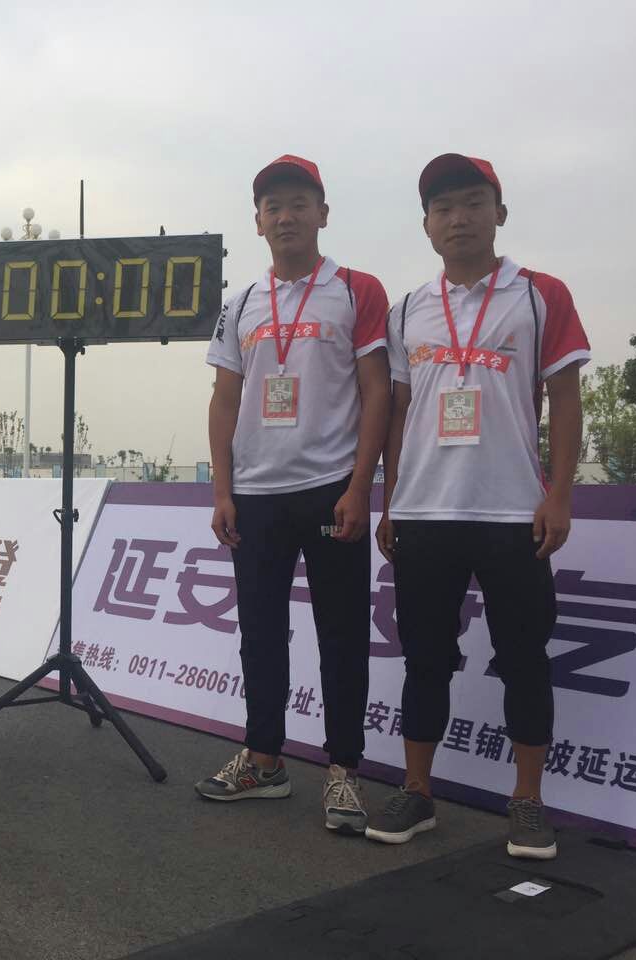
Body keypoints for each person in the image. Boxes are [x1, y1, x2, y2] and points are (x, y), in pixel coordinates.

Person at [366, 155, 589, 860]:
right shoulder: (409, 309)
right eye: (443, 208)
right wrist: (391, 502)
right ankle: (417, 791)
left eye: (471, 203)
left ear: (499, 212)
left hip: (512, 512)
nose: (457, 219)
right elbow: (400, 411)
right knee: (425, 658)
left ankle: (527, 802)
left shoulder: (540, 294)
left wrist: (558, 495)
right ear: (427, 225)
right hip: (425, 513)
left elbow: (566, 399)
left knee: (524, 657)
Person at [197, 155, 390, 834]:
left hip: (332, 489)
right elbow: (225, 400)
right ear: (257, 222)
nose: (286, 217)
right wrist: (223, 491)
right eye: (273, 206)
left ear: (323, 214)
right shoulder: (242, 303)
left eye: (299, 204)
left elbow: (376, 392)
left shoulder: (357, 290)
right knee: (259, 633)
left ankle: (344, 771)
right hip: (257, 494)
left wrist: (361, 486)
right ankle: (264, 759)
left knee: (342, 634)